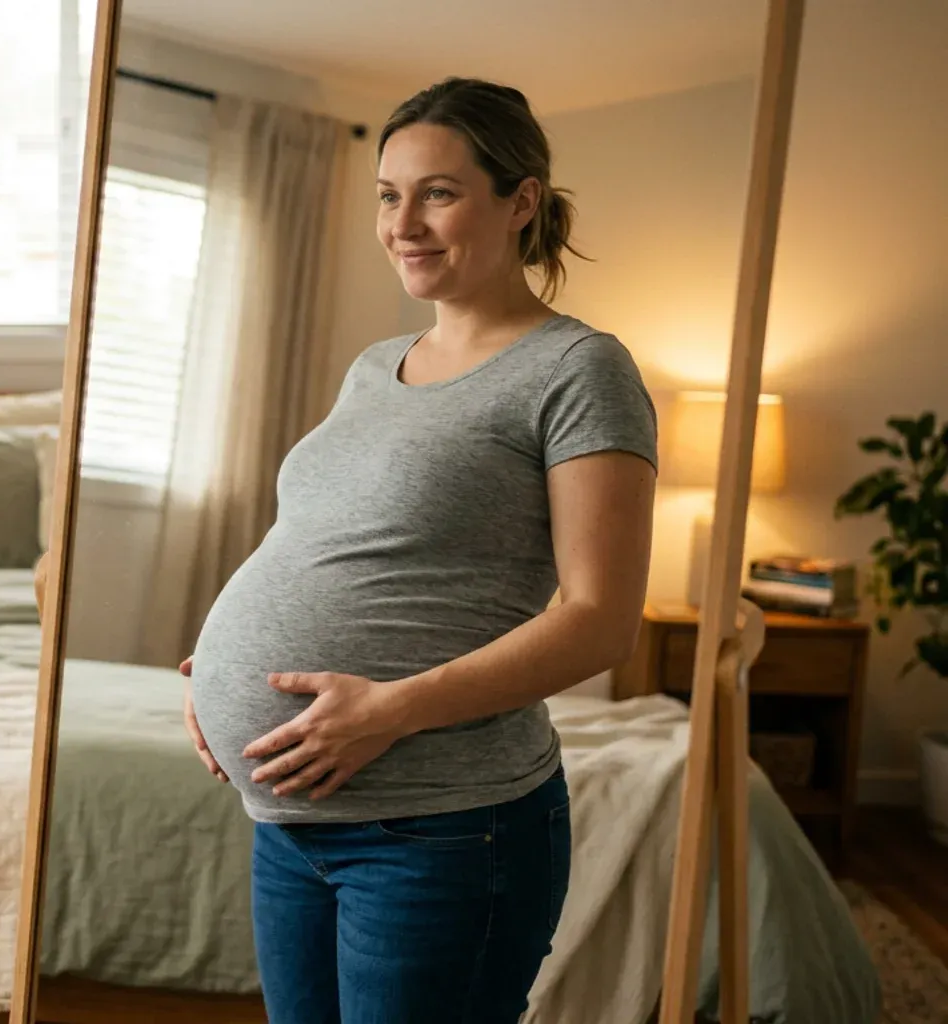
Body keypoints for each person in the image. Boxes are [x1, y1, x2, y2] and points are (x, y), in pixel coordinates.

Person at [179, 77, 657, 1023]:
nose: (405, 222)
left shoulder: (577, 369)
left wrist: (388, 711)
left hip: (441, 831)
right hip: (291, 828)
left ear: (521, 201)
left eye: (438, 192)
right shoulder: (374, 365)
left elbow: (600, 621)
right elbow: (327, 539)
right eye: (389, 195)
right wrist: (219, 669)